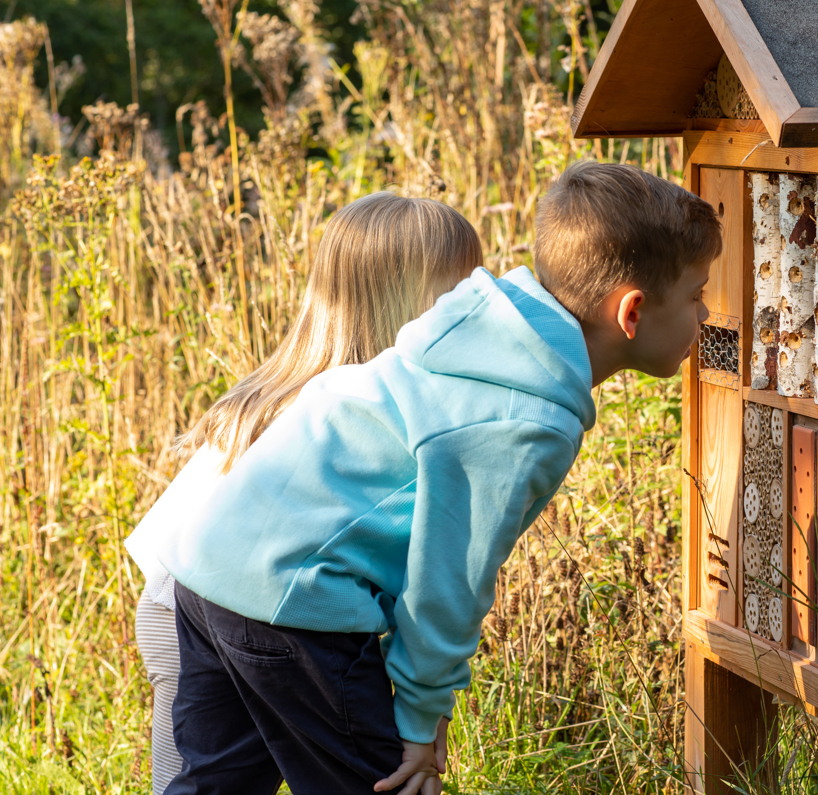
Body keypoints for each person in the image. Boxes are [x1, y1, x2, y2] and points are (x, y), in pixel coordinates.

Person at [155, 160, 722, 795]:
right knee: (388, 785)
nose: (705, 316)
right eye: (698, 295)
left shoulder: (478, 324)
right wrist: (422, 722)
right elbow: (447, 583)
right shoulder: (526, 421)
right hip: (292, 599)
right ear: (633, 312)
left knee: (212, 786)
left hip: (212, 563)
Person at [124, 192, 482, 795]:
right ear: (404, 299)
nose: (474, 310)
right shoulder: (342, 407)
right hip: (189, 604)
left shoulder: (304, 385)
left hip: (192, 599)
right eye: (458, 293)